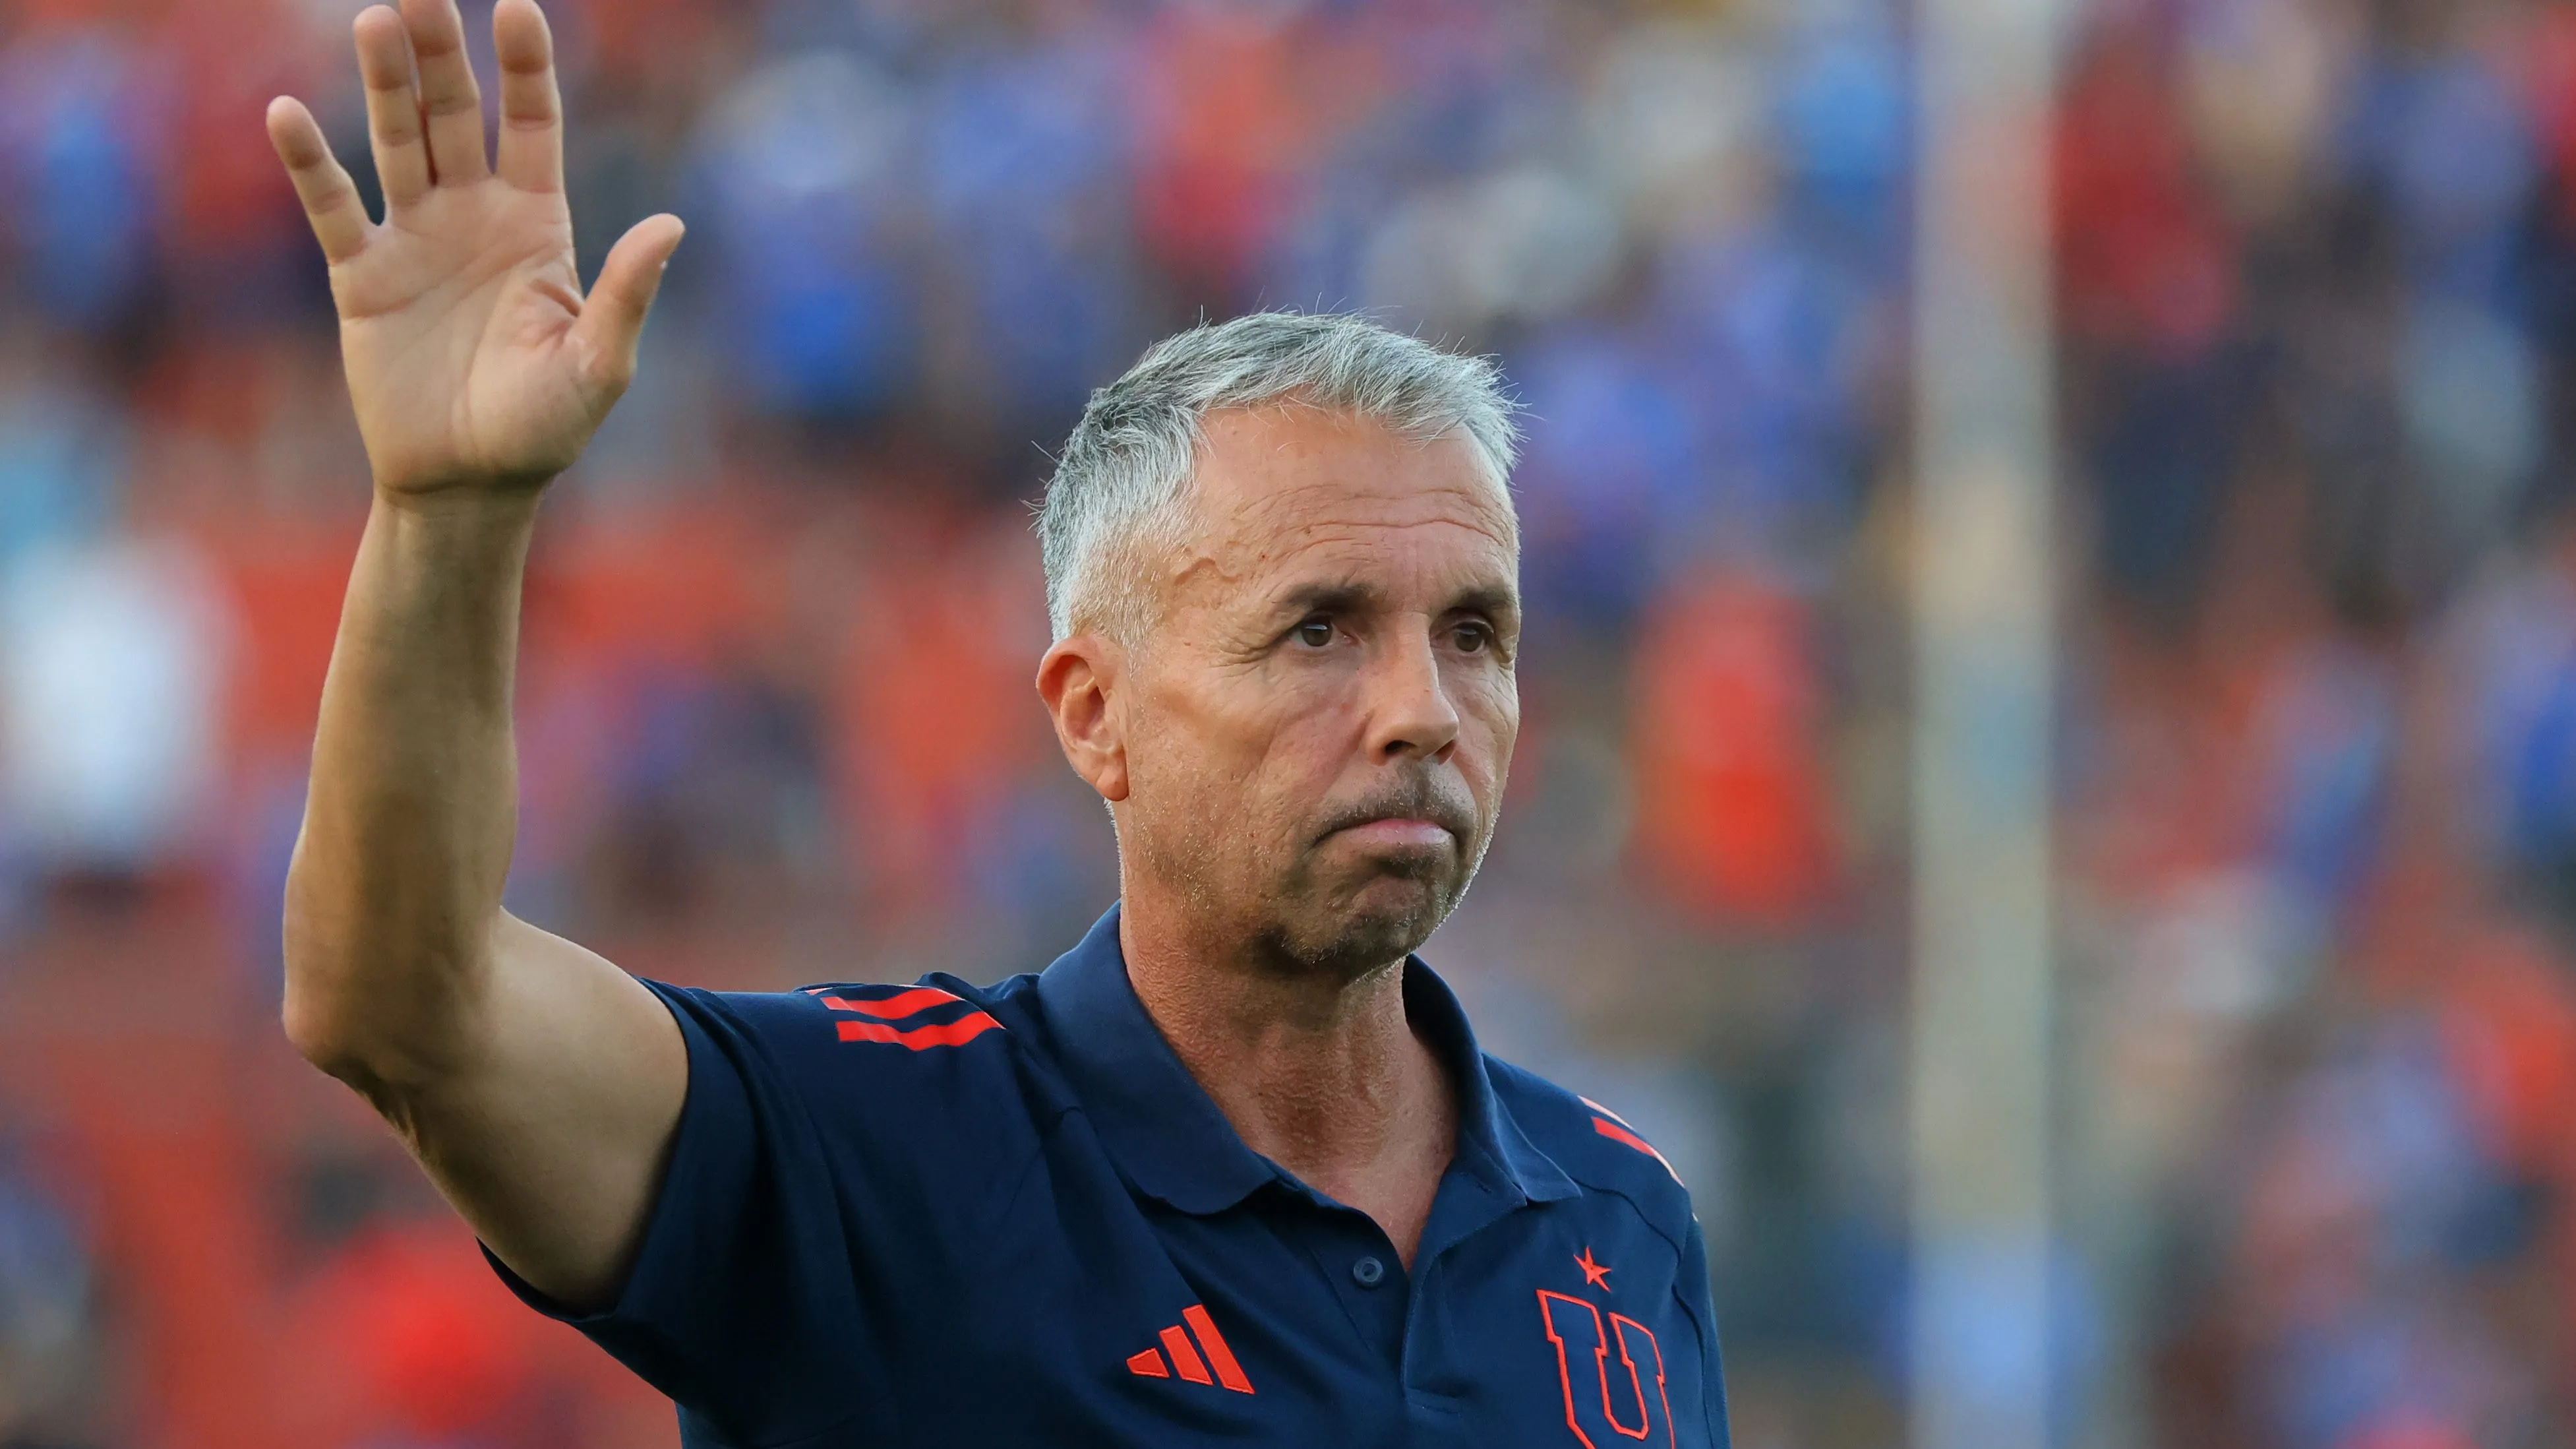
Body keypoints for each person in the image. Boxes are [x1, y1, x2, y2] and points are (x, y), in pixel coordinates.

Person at [263, 1, 1731, 1444]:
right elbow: (403, 1005)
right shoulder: (873, 1146)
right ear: (1095, 717)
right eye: (1319, 629)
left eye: (1473, 632)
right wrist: (448, 513)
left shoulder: (1619, 1218)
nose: (1422, 709)